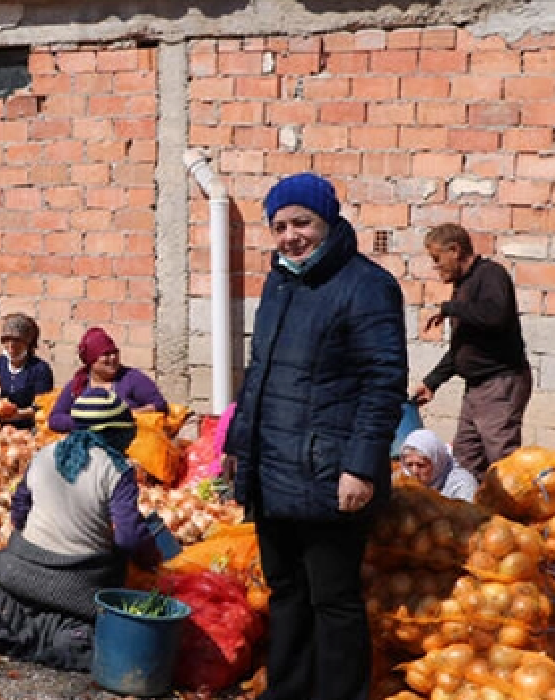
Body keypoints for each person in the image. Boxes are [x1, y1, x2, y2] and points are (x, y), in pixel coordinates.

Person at [223, 173, 406, 700]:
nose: (290, 236)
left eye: (302, 222)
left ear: (328, 221)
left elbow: (382, 382)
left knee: (333, 600)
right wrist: (239, 444)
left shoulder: (366, 285)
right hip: (273, 468)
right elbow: (258, 373)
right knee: (286, 593)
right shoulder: (280, 282)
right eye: (279, 226)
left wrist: (361, 465)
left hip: (330, 474)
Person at [0, 389, 160, 671]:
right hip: (79, 584)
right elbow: (129, 537)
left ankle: (10, 612)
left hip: (19, 571)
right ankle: (67, 629)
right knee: (112, 583)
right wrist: (151, 560)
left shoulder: (44, 455)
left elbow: (19, 511)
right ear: (116, 432)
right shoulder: (117, 469)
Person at [411, 223, 531, 477]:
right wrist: (433, 382)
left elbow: (496, 315)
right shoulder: (464, 285)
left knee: (502, 464)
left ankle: (510, 516)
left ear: (455, 250)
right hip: (476, 389)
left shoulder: (490, 275)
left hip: (500, 383)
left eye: (437, 258)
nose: (435, 267)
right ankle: (470, 515)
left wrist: (450, 308)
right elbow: (462, 348)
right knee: (465, 462)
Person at [46, 327, 166, 433]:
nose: (113, 358)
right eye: (106, 354)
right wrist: (86, 422)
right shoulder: (78, 385)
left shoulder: (132, 378)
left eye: (115, 352)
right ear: (91, 361)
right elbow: (55, 419)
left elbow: (160, 405)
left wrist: (127, 415)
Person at [0, 313, 54, 429]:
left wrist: (18, 415)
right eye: (6, 340)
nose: (11, 346)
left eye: (17, 341)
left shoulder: (40, 369)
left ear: (28, 343)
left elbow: (43, 406)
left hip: (26, 426)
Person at [399, 429, 478, 502]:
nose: (414, 471)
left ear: (437, 462)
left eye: (421, 465)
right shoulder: (403, 481)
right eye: (409, 464)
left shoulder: (462, 487)